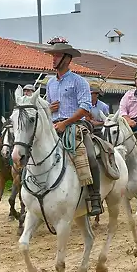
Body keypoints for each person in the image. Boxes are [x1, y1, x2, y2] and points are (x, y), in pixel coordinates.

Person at [44, 41, 102, 214]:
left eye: (57, 55)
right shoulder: (50, 83)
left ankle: (95, 197)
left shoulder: (79, 82)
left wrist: (65, 123)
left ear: (67, 59)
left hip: (75, 125)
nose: (53, 59)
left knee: (90, 156)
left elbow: (85, 108)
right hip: (53, 126)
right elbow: (46, 105)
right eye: (52, 55)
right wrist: (48, 109)